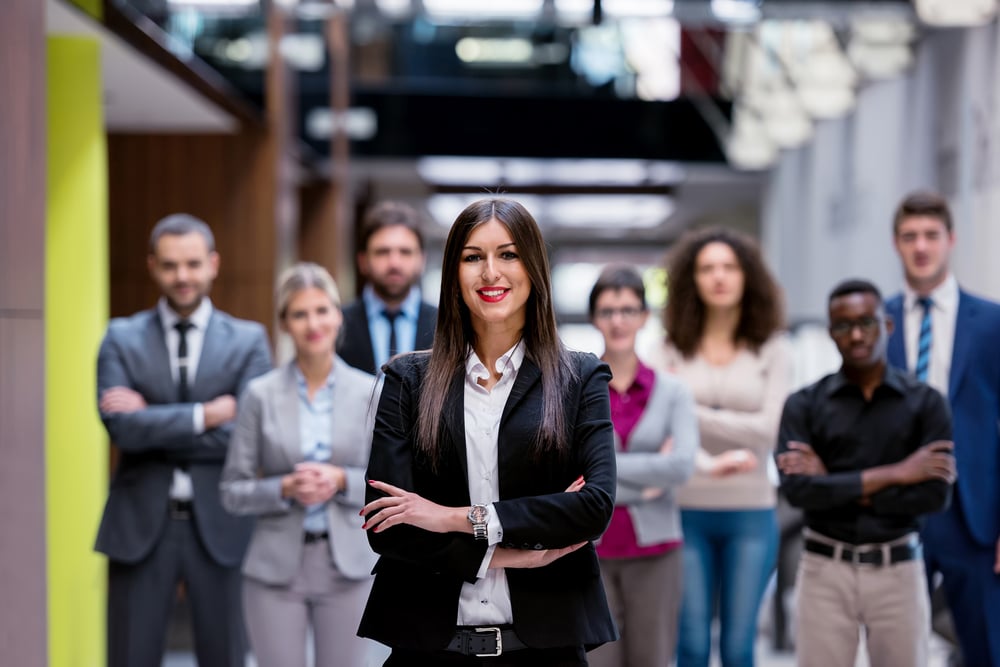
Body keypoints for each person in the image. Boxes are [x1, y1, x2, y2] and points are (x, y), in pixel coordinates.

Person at [357, 197, 618, 666]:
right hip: (429, 649)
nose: (490, 272)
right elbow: (387, 526)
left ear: (534, 267)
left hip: (546, 650)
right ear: (453, 274)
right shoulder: (407, 380)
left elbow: (593, 507)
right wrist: (504, 556)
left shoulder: (581, 377)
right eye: (473, 256)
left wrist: (453, 517)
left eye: (509, 254)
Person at [95, 213, 272, 667]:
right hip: (139, 526)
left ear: (213, 263)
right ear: (153, 266)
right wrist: (205, 415)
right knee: (130, 656)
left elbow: (246, 440)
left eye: (193, 264)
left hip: (223, 524)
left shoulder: (249, 342)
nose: (183, 276)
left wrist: (153, 420)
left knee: (227, 657)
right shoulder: (120, 337)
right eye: (171, 265)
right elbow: (123, 431)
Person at [776, 278, 955, 667]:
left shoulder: (927, 403)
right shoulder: (803, 405)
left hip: (899, 569)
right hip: (824, 569)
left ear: (887, 325)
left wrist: (831, 482)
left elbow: (933, 496)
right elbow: (798, 492)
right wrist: (898, 473)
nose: (856, 334)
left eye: (866, 322)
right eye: (843, 325)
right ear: (830, 333)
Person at [220, 262, 381, 667]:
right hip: (274, 570)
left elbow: (389, 485)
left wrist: (341, 480)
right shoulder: (259, 395)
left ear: (337, 316)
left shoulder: (370, 391)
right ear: (285, 323)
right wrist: (284, 488)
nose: (313, 323)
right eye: (300, 313)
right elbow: (232, 490)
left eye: (322, 310)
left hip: (348, 567)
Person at [659, 226, 791, 667]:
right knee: (692, 647)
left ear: (746, 276)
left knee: (739, 649)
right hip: (683, 511)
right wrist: (707, 437)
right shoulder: (668, 347)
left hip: (751, 513)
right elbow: (661, 428)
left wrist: (688, 411)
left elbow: (771, 429)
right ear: (690, 279)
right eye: (707, 268)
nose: (719, 277)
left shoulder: (773, 348)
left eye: (729, 267)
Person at [885, 191, 1000, 666]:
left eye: (931, 235)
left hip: (974, 514)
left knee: (985, 649)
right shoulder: (876, 321)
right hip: (897, 512)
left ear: (950, 240)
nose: (921, 247)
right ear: (896, 244)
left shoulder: (991, 322)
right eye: (910, 236)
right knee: (895, 651)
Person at [585, 264, 698, 667]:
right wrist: (650, 476)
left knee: (652, 659)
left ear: (645, 317)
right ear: (594, 317)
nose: (618, 321)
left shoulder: (673, 391)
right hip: (588, 552)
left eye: (628, 310)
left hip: (657, 552)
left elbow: (682, 466)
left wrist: (604, 477)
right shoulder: (576, 386)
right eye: (608, 310)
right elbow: (570, 473)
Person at [338, 201, 437, 374]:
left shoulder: (444, 326)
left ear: (422, 260)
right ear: (362, 261)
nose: (394, 263)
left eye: (405, 252)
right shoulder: (337, 324)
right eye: (382, 252)